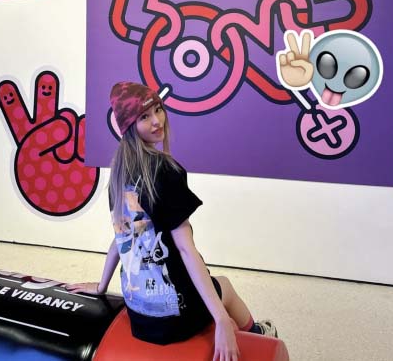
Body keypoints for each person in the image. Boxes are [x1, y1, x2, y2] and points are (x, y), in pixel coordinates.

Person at [67, 81, 277, 361]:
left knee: (211, 286)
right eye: (144, 117)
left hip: (139, 314)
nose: (157, 121)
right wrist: (221, 320)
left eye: (158, 109)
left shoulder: (119, 173)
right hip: (175, 317)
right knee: (224, 285)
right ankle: (259, 335)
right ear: (129, 127)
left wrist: (101, 286)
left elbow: (122, 239)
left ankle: (247, 330)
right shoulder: (167, 171)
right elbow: (187, 250)